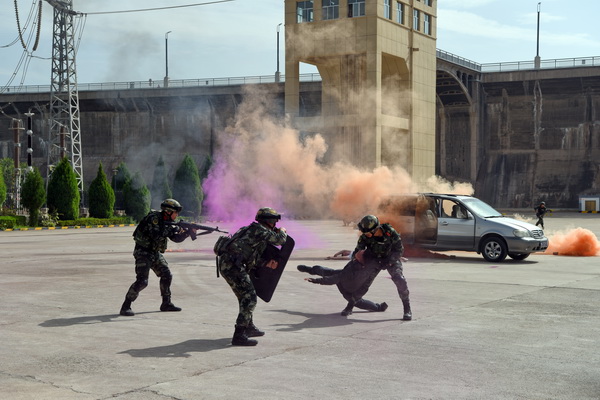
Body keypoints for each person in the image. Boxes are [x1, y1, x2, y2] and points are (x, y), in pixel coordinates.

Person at [218, 207, 288, 346]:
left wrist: (266, 263)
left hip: (230, 264)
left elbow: (250, 254)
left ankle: (248, 327)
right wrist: (283, 231)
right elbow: (280, 240)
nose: (275, 224)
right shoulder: (259, 230)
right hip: (233, 267)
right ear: (268, 221)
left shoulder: (251, 229)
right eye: (274, 221)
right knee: (249, 297)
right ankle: (239, 335)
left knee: (245, 296)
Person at [119, 199, 191, 317]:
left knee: (166, 275)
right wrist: (175, 229)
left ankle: (166, 303)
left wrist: (187, 232)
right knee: (142, 281)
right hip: (143, 252)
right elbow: (156, 235)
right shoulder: (154, 219)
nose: (177, 215)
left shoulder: (168, 222)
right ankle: (126, 306)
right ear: (168, 211)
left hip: (154, 252)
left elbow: (175, 238)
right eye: (175, 212)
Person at [353, 214, 412, 321]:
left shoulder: (390, 232)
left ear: (375, 229)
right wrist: (358, 263)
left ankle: (407, 308)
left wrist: (391, 261)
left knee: (400, 280)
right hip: (375, 260)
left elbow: (399, 250)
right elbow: (358, 251)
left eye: (368, 232)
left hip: (390, 260)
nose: (366, 234)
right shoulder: (365, 236)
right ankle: (350, 305)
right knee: (363, 283)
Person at [297, 250, 388, 316]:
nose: (360, 252)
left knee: (357, 301)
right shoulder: (367, 262)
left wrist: (316, 280)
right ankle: (310, 269)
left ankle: (378, 307)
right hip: (345, 278)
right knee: (327, 271)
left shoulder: (354, 271)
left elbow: (333, 279)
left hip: (347, 288)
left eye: (360, 255)